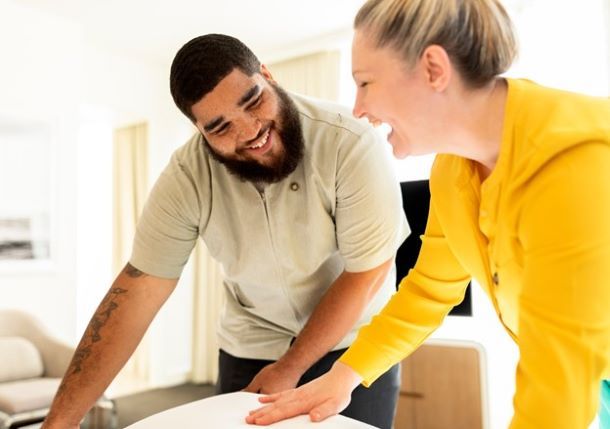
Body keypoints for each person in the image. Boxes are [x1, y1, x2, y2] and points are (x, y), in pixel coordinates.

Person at [245, 0, 610, 428]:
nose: (358, 108)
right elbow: (429, 291)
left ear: (434, 69)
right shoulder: (455, 169)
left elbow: (557, 380)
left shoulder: (575, 166)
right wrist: (342, 377)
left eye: (365, 82)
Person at [40, 34, 409, 429]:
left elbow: (366, 272)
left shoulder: (349, 142)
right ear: (201, 133)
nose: (250, 131)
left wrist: (291, 367)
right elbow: (138, 289)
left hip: (352, 345)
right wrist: (60, 421)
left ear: (268, 76)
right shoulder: (187, 177)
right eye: (220, 128)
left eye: (253, 101)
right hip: (251, 346)